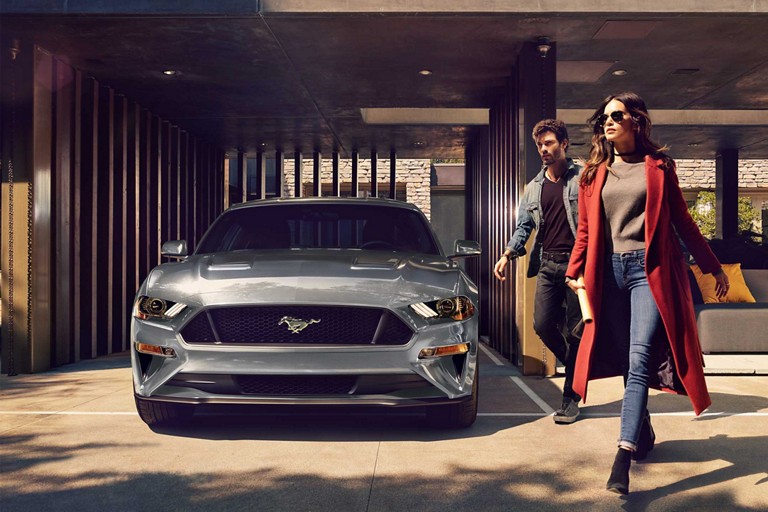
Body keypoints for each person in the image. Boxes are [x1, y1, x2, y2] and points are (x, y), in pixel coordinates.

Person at [565, 92, 729, 495]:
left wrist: (712, 266)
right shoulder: (593, 173)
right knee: (625, 358)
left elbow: (684, 222)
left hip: (647, 273)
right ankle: (643, 427)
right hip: (608, 276)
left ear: (636, 120)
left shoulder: (659, 166)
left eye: (617, 115)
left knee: (639, 357)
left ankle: (622, 454)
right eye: (604, 117)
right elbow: (586, 231)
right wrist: (573, 272)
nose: (608, 122)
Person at [493, 118, 583, 424]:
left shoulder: (582, 178)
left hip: (577, 264)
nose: (543, 149)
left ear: (564, 144)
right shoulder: (533, 188)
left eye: (549, 143)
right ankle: (576, 365)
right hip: (547, 263)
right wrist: (507, 254)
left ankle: (570, 399)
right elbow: (524, 227)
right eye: (539, 145)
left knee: (575, 332)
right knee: (542, 325)